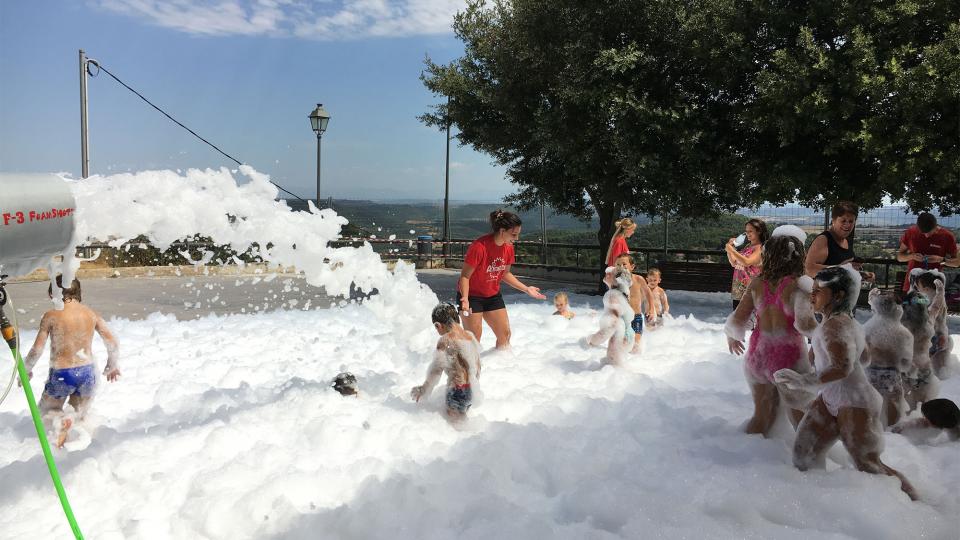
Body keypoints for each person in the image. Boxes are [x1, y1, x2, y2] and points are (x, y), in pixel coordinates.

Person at [774, 266, 917, 500]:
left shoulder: (835, 326)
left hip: (855, 402)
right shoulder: (841, 323)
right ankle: (823, 506)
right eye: (814, 289)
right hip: (834, 397)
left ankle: (916, 506)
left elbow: (842, 367)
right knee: (804, 454)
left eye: (819, 291)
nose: (813, 295)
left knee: (868, 464)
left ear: (839, 296)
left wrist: (803, 381)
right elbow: (865, 358)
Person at [725, 226, 816, 436]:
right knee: (801, 420)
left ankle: (746, 457)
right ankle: (808, 467)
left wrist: (732, 336)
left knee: (762, 418)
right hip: (789, 360)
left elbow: (738, 319)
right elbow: (806, 326)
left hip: (758, 358)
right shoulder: (798, 287)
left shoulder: (758, 283)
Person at [22, 276, 120, 448]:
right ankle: (70, 429)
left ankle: (56, 442)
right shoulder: (91, 313)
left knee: (46, 413)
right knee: (77, 413)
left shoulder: (51, 315)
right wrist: (112, 365)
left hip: (62, 374)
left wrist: (27, 368)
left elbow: (37, 349)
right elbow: (112, 342)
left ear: (53, 293)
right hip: (88, 373)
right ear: (78, 292)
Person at [458, 210, 547, 349]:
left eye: (518, 234)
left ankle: (501, 365)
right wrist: (464, 298)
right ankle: (466, 368)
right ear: (502, 231)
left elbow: (505, 274)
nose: (516, 238)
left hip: (492, 296)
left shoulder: (509, 248)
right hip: (471, 297)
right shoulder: (479, 247)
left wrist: (526, 289)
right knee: (473, 340)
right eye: (514, 234)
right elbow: (465, 276)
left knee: (505, 335)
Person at [411, 303, 481, 422]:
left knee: (454, 425)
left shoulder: (445, 340)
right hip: (472, 390)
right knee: (462, 421)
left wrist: (424, 389)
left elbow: (436, 370)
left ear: (438, 325)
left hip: (456, 390)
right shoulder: (469, 336)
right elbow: (477, 366)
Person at [804, 201, 875, 283]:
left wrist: (863, 275)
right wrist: (841, 268)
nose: (847, 225)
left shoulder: (846, 241)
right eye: (843, 221)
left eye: (851, 221)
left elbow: (846, 272)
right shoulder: (823, 240)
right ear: (833, 220)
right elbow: (809, 270)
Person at [584, 266, 635, 365]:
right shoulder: (623, 293)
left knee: (613, 366)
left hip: (621, 336)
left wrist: (591, 341)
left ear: (617, 280)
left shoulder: (612, 295)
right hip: (628, 335)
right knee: (615, 368)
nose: (606, 274)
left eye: (610, 274)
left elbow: (613, 324)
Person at [910, 270, 956, 379]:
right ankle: (943, 374)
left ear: (926, 289)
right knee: (940, 368)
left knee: (922, 364)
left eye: (919, 288)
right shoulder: (939, 298)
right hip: (943, 337)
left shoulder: (929, 301)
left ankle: (924, 377)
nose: (917, 290)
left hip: (932, 339)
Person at [896, 212, 958, 292]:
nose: (926, 235)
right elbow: (899, 257)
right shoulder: (910, 232)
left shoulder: (947, 236)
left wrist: (940, 260)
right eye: (923, 232)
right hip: (912, 286)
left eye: (929, 232)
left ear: (936, 226)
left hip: (934, 287)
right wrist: (912, 256)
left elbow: (956, 263)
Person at [615, 254, 657, 353]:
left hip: (636, 317)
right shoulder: (616, 282)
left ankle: (636, 361)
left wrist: (651, 309)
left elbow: (648, 293)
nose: (621, 267)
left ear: (632, 267)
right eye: (618, 264)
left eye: (624, 264)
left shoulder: (638, 279)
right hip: (623, 318)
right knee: (623, 343)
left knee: (635, 344)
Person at [726, 218, 768, 310]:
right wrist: (730, 249)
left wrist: (732, 250)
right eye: (746, 231)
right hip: (739, 290)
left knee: (748, 322)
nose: (747, 234)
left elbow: (747, 262)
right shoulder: (748, 247)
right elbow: (734, 263)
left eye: (750, 231)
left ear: (759, 231)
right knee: (738, 321)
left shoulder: (760, 248)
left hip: (751, 291)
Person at [891, 398, 959, 442]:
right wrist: (904, 426)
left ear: (938, 421)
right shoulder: (950, 421)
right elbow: (923, 423)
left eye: (927, 418)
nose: (924, 419)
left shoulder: (956, 435)